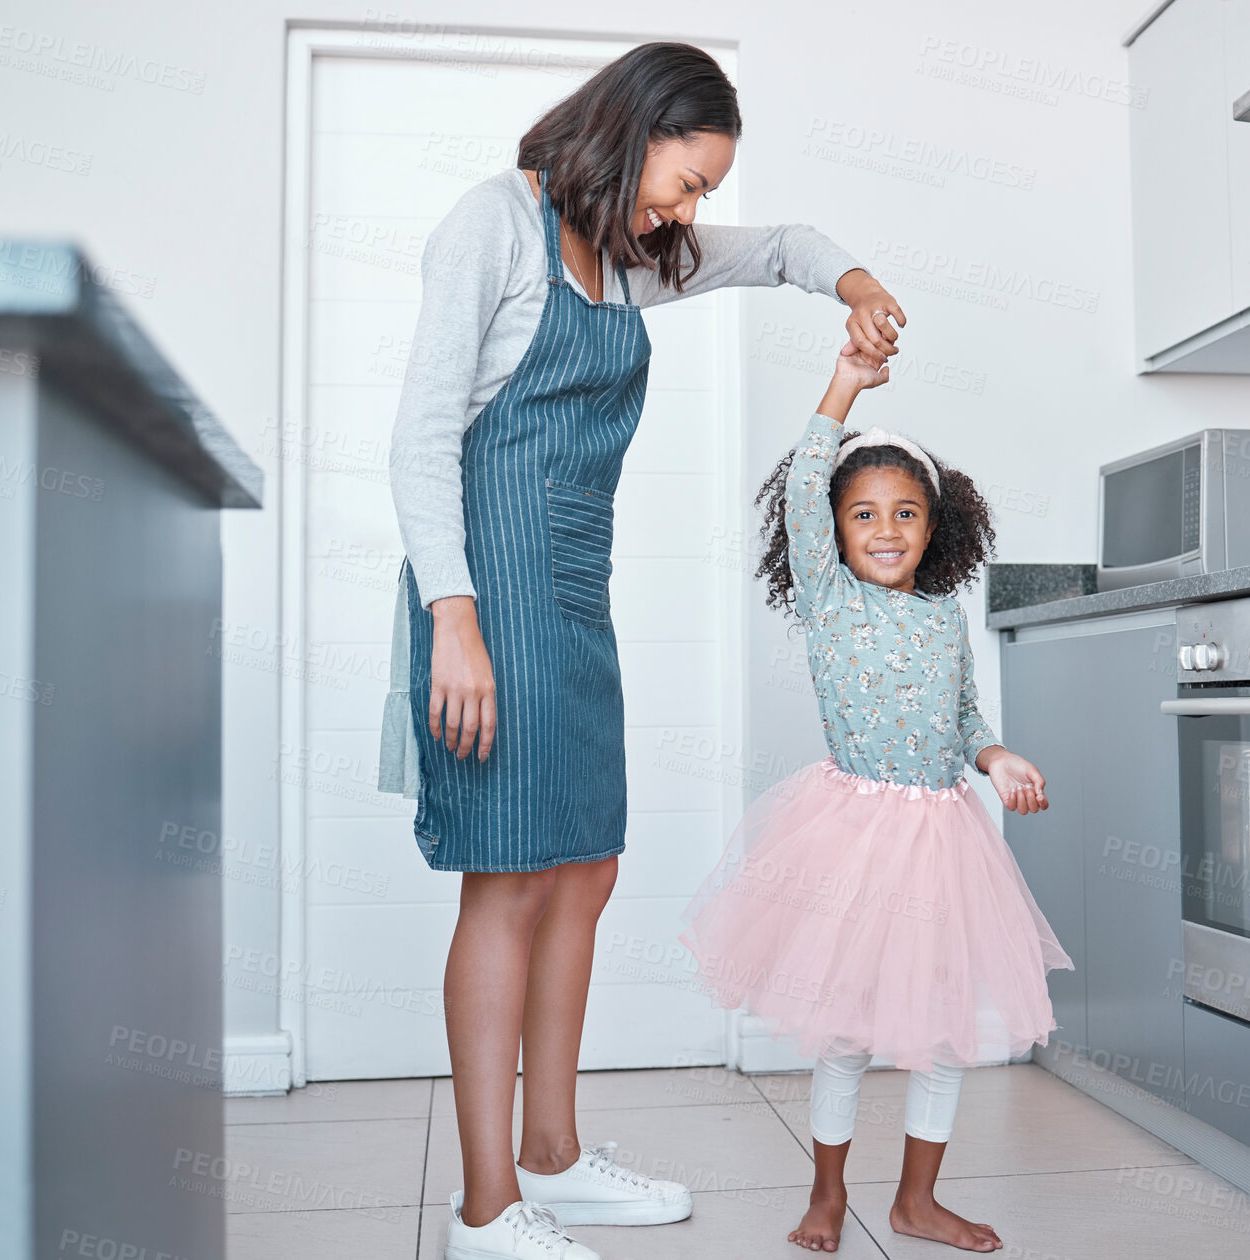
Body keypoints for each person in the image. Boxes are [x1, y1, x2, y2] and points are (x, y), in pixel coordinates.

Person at [377, 41, 907, 1260]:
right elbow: (419, 439)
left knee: (585, 868)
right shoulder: (492, 229)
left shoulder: (623, 256)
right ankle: (484, 1207)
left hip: (574, 584)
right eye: (686, 181)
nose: (686, 211)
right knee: (507, 876)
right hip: (488, 585)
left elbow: (784, 248)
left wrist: (859, 285)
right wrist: (453, 618)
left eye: (702, 193)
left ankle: (553, 1159)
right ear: (634, 131)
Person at [679, 332, 1074, 1253]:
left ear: (935, 529)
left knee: (942, 1031)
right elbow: (801, 489)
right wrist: (843, 387)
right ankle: (826, 1194)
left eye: (904, 513)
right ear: (832, 530)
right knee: (847, 1033)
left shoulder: (942, 617)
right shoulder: (829, 598)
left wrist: (997, 759)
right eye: (862, 515)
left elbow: (965, 720)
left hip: (943, 843)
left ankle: (915, 1202)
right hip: (851, 838)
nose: (886, 529)